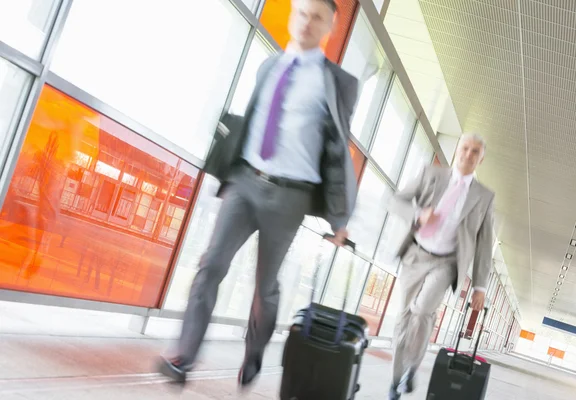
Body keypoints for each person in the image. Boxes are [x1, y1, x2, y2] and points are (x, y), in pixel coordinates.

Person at [156, 0, 359, 390]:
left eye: (317, 17)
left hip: (291, 197)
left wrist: (339, 219)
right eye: (302, 12)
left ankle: (254, 351)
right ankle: (184, 357)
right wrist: (231, 175)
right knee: (210, 266)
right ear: (291, 15)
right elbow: (251, 122)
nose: (307, 21)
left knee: (264, 285)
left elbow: (336, 153)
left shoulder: (339, 84)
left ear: (330, 28)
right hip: (246, 180)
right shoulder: (269, 66)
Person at [386, 134, 495, 399]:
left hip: (447, 262)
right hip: (415, 255)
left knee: (422, 310)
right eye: (465, 148)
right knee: (403, 318)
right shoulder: (430, 173)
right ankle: (397, 379)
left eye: (475, 151)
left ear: (482, 158)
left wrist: (480, 286)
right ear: (457, 150)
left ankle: (413, 364)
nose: (468, 155)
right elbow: (394, 200)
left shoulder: (484, 196)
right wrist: (417, 214)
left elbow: (484, 244)